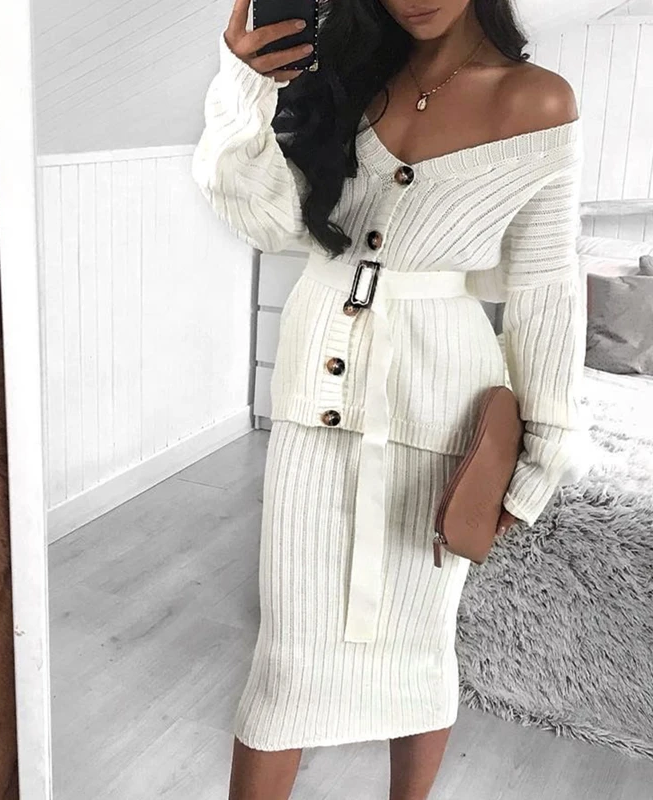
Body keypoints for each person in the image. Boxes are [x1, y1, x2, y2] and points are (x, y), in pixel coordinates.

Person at [192, 1, 587, 798]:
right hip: (315, 397)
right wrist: (245, 87)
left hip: (441, 406)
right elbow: (265, 221)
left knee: (419, 644)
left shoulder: (537, 100)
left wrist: (544, 453)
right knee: (287, 663)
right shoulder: (342, 75)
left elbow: (546, 288)